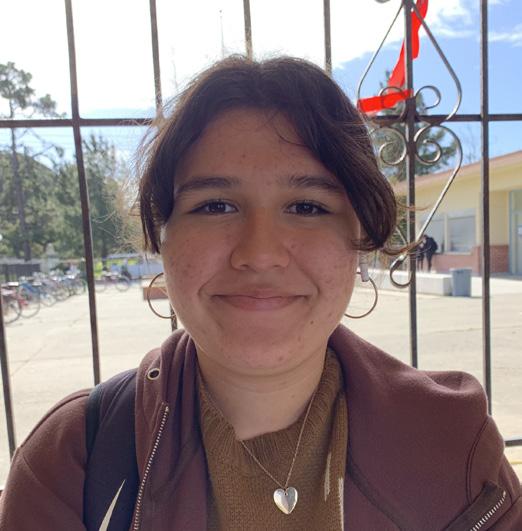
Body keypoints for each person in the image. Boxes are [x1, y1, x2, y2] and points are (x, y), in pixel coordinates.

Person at [0, 56, 520, 530]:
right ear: (162, 237)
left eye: (307, 207)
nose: (260, 253)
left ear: (360, 237)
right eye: (215, 206)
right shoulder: (74, 460)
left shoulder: (455, 445)